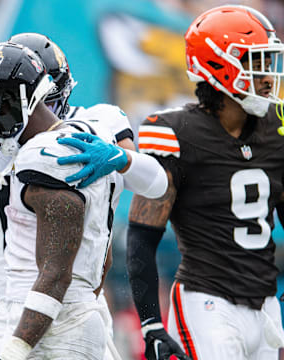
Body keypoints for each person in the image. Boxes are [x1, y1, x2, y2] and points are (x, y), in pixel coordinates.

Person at [0, 36, 167, 359]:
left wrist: (123, 159)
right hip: (13, 304)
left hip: (66, 308)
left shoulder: (96, 125)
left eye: (49, 100)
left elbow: (156, 184)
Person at [126, 5, 284, 360]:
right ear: (220, 66)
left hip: (266, 305)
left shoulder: (277, 125)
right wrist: (151, 322)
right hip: (208, 302)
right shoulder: (175, 132)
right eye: (256, 62)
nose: (268, 76)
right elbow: (142, 234)